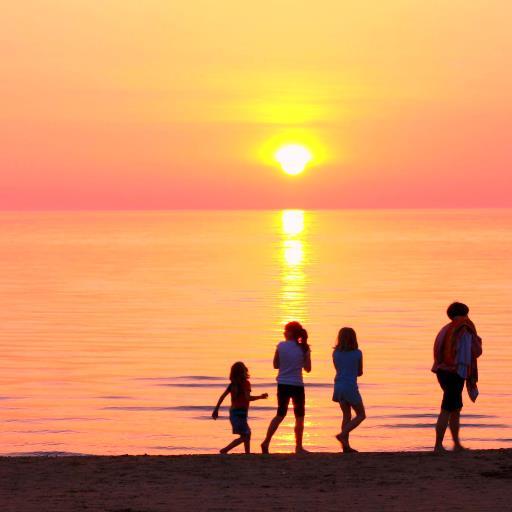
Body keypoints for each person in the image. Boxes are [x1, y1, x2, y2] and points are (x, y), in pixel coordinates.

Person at [432, 302, 482, 452]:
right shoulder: (464, 329)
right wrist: (465, 374)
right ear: (465, 313)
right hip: (455, 372)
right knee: (447, 408)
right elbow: (467, 354)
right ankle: (438, 445)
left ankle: (456, 444)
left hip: (441, 371)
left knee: (455, 408)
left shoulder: (445, 329)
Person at [261, 321, 311, 454]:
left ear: (290, 333)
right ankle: (298, 447)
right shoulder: (304, 348)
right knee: (299, 417)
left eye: (285, 330)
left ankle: (266, 442)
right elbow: (308, 369)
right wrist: (305, 356)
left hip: (283, 384)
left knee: (280, 414)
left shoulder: (280, 346)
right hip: (297, 385)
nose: (283, 332)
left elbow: (276, 365)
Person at [212, 362, 268, 454]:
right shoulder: (245, 383)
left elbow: (222, 397)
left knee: (246, 434)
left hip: (233, 413)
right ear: (244, 372)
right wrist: (260, 397)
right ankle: (225, 449)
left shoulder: (232, 385)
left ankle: (247, 453)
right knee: (246, 435)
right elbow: (247, 398)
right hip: (240, 413)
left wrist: (216, 410)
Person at [332, 327, 366, 453]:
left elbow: (337, 369)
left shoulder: (335, 353)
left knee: (346, 415)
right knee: (361, 415)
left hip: (338, 385)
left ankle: (345, 447)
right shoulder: (357, 353)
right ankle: (342, 435)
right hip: (350, 386)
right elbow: (360, 372)